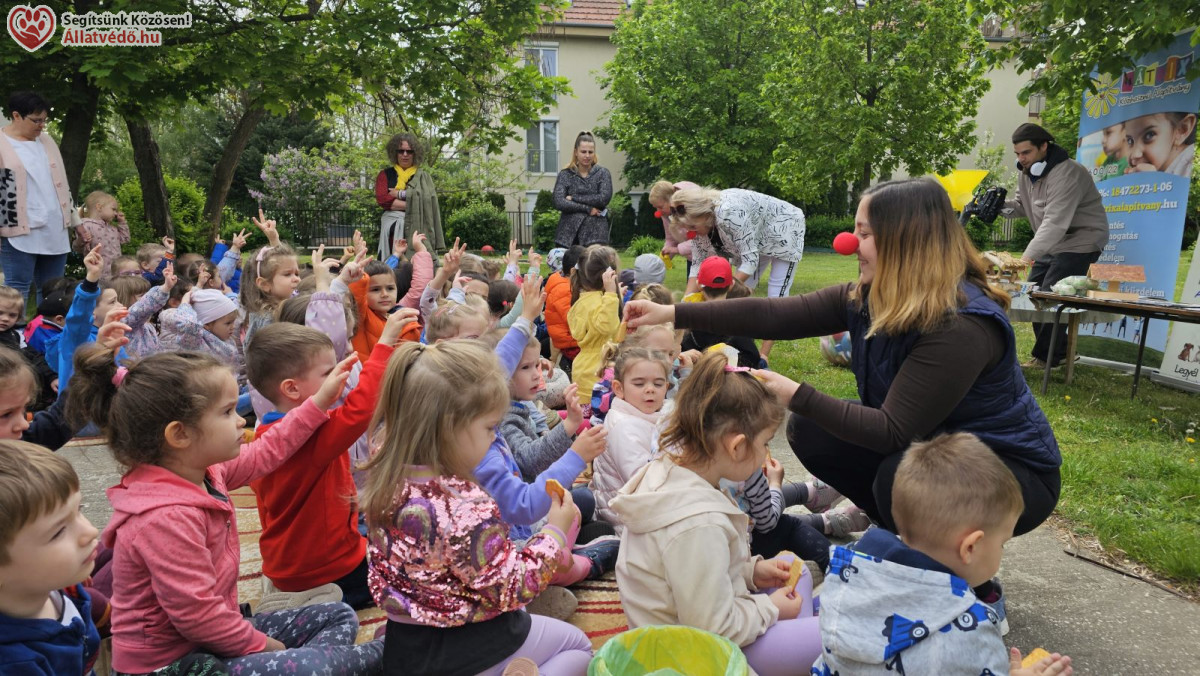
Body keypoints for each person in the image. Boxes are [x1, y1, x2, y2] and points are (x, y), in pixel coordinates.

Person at [625, 178, 1062, 600]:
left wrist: (796, 393)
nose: (848, 244)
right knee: (814, 432)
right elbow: (777, 315)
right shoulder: (874, 293)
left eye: (864, 234)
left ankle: (966, 581)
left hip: (1011, 476)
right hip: (936, 453)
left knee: (899, 475)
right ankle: (907, 538)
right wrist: (672, 314)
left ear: (904, 240)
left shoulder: (961, 325)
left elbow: (892, 431)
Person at [65, 340, 383, 674]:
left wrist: (317, 403)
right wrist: (268, 648)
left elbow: (268, 450)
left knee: (337, 615)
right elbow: (199, 618)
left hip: (215, 641)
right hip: (171, 665)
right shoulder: (165, 517)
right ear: (180, 434)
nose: (240, 422)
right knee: (313, 664)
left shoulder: (204, 472)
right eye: (227, 412)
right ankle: (384, 653)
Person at [362, 340, 593, 675]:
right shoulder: (465, 505)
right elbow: (513, 587)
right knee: (579, 648)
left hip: (406, 641)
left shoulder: (386, 473)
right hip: (468, 642)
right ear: (450, 427)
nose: (494, 442)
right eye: (489, 429)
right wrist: (555, 532)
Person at [610, 352, 821, 676]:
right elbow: (713, 627)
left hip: (693, 630)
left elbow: (692, 573)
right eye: (765, 444)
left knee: (796, 570)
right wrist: (770, 608)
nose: (766, 454)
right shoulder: (697, 523)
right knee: (834, 633)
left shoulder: (678, 475)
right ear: (736, 447)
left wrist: (751, 571)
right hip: (696, 658)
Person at [812, 433, 1073, 676]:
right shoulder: (974, 630)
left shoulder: (845, 577)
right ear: (970, 547)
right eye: (1002, 543)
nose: (1002, 551)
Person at [246, 316, 412, 610]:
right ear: (292, 389)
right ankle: (319, 604)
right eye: (327, 372)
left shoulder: (264, 436)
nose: (339, 376)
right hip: (328, 568)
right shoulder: (308, 438)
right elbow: (361, 410)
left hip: (284, 563)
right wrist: (384, 345)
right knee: (408, 581)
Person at [1005, 123, 1108, 368]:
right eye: (1017, 154)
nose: (1021, 159)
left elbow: (1054, 223)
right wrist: (998, 206)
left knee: (1051, 295)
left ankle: (1048, 358)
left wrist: (1023, 260)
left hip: (1081, 240)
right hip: (1052, 242)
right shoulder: (1026, 172)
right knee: (1034, 294)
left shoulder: (1069, 173)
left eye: (1026, 153)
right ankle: (1058, 353)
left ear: (1044, 147)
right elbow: (1022, 205)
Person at [0, 441, 102, 676]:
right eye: (58, 532)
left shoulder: (63, 588)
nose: (90, 532)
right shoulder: (14, 664)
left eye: (79, 509)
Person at [671, 186, 806, 362]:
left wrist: (721, 288)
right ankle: (739, 342)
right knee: (739, 298)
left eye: (692, 227)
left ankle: (763, 356)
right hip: (758, 234)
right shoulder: (698, 226)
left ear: (704, 214)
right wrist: (687, 303)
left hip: (784, 227)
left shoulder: (729, 214)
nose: (691, 232)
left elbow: (750, 259)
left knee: (777, 297)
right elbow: (697, 264)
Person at [0, 92, 72, 310]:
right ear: (16, 115)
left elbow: (63, 184)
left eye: (44, 120)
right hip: (16, 229)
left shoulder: (47, 142)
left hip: (54, 229)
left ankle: (46, 338)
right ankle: (11, 340)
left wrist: (76, 222)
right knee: (16, 288)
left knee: (54, 290)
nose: (41, 126)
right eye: (36, 120)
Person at [590, 345, 673, 534]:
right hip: (627, 524)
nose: (650, 389)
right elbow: (643, 484)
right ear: (619, 389)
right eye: (639, 384)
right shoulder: (624, 427)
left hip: (647, 510)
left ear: (666, 387)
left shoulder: (659, 413)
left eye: (658, 384)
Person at [374, 132, 443, 261]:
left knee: (417, 262)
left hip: (418, 228)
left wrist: (398, 198)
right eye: (401, 151)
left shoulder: (423, 176)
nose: (405, 155)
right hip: (392, 231)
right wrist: (417, 205)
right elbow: (383, 199)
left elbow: (429, 202)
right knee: (391, 261)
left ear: (415, 154)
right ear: (395, 153)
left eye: (409, 151)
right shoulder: (384, 175)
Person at [566, 245, 621, 405]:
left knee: (586, 414)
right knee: (601, 414)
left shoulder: (580, 302)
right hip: (598, 368)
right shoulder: (601, 301)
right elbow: (607, 327)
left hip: (582, 365)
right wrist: (611, 295)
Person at [553, 131, 613, 247]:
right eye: (583, 152)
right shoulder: (565, 175)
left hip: (596, 234)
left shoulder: (603, 173)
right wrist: (588, 209)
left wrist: (574, 198)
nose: (587, 155)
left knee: (595, 264)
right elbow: (559, 202)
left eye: (590, 152)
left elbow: (603, 199)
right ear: (576, 152)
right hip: (567, 236)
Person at [72, 191, 129, 281]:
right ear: (99, 207)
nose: (115, 213)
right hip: (98, 274)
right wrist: (82, 239)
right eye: (113, 209)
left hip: (117, 273)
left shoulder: (112, 228)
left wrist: (122, 223)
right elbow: (78, 248)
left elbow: (125, 239)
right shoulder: (85, 225)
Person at [1124, 112, 1197, 177]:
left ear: (1182, 130)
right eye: (1129, 141)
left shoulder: (1192, 166)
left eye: (1149, 135)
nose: (1135, 154)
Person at [647, 179, 699, 262]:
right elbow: (671, 238)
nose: (658, 212)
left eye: (660, 207)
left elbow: (702, 241)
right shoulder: (667, 213)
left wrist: (676, 249)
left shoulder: (693, 208)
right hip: (693, 258)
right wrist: (665, 256)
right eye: (656, 207)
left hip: (712, 256)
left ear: (671, 200)